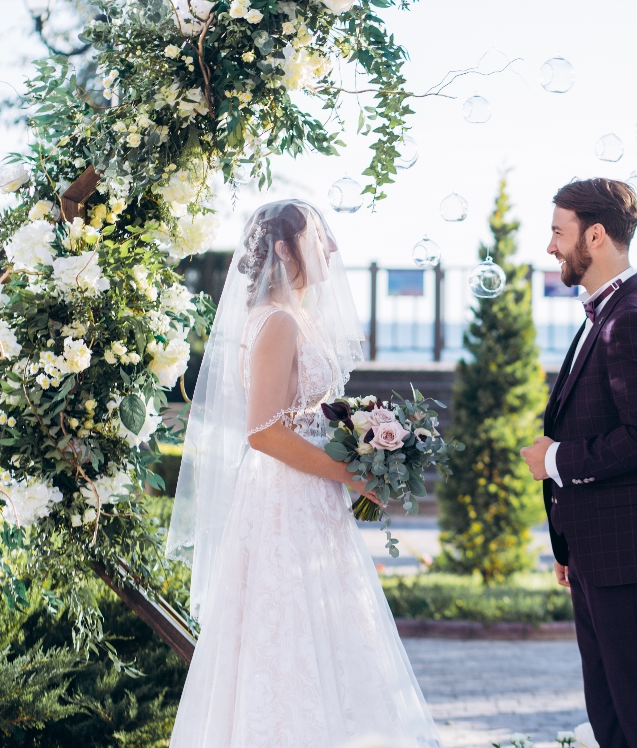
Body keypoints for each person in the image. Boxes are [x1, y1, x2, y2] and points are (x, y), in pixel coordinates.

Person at [165, 200, 440, 748]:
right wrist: (351, 473)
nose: (333, 249)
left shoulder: (300, 317)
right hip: (283, 500)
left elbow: (304, 414)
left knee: (329, 630)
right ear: (286, 249)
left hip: (310, 498)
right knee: (285, 631)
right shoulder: (277, 322)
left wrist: (365, 436)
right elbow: (263, 431)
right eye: (321, 237)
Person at [520, 178, 637, 748]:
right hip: (603, 549)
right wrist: (572, 544)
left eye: (558, 231)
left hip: (630, 552)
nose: (550, 246)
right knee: (612, 715)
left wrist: (555, 460)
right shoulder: (608, 313)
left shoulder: (634, 318)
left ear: (594, 236)